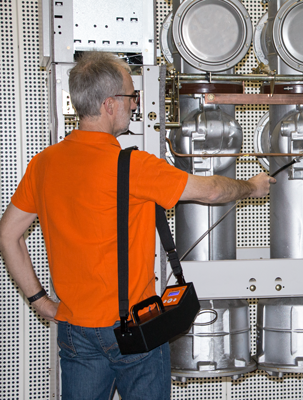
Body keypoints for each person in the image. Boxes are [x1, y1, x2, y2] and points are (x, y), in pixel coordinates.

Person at [0, 51, 275, 400]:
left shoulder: (44, 165)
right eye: (132, 97)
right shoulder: (132, 166)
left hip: (75, 329)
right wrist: (252, 186)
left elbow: (8, 234)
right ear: (110, 104)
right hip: (135, 329)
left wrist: (40, 301)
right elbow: (211, 190)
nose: (135, 105)